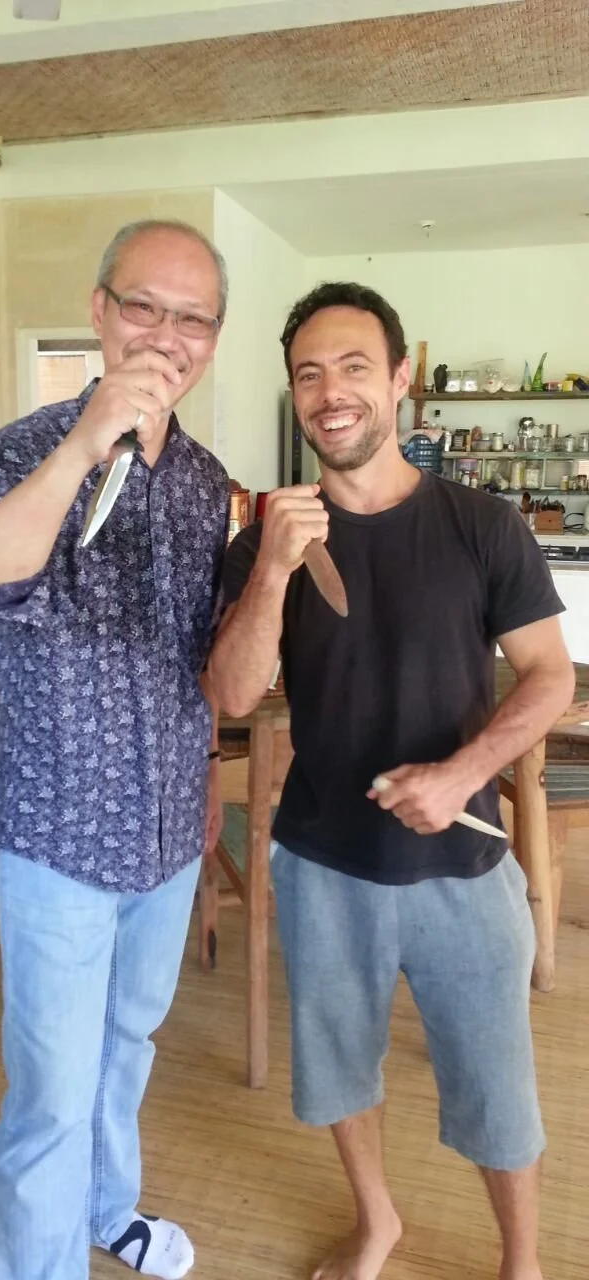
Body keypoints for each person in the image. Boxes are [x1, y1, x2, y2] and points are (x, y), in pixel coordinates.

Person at [209, 281, 575, 1280]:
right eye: (309, 374)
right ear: (294, 394)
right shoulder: (269, 535)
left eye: (354, 366)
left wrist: (463, 771)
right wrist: (273, 571)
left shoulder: (480, 523)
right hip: (323, 859)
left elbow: (551, 674)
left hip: (463, 861)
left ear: (402, 378)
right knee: (337, 1068)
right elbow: (233, 693)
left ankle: (522, 1259)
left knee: (496, 1080)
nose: (332, 392)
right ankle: (378, 1222)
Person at [0, 219, 230, 1280]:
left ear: (214, 338)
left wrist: (201, 792)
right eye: (144, 305)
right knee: (50, 1092)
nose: (166, 334)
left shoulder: (206, 483)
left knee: (125, 1050)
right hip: (58, 832)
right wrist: (82, 445)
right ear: (101, 310)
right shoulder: (20, 449)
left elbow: (202, 663)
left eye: (193, 316)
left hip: (163, 838)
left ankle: (110, 1210)